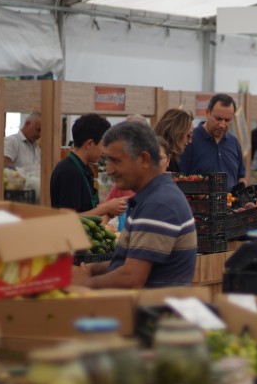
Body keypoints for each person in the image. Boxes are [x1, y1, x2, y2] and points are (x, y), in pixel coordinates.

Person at [73, 121, 197, 290]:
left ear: (144, 159)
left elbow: (131, 278)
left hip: (152, 313)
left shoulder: (159, 204)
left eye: (116, 161)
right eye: (107, 161)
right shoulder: (154, 197)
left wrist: (85, 283)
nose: (109, 170)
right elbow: (126, 261)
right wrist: (90, 269)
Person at [48, 114, 126, 220]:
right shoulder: (69, 171)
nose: (105, 151)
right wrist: (107, 208)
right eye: (103, 145)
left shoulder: (83, 168)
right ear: (89, 144)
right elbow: (67, 218)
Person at [178, 93, 247, 186]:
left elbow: (241, 176)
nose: (222, 125)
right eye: (218, 119)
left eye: (227, 120)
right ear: (207, 113)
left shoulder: (234, 142)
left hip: (232, 199)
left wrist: (241, 187)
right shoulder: (189, 141)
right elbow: (180, 178)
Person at [153, 107, 194, 174]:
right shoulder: (165, 161)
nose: (190, 141)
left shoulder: (155, 154)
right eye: (189, 135)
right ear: (176, 133)